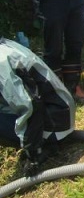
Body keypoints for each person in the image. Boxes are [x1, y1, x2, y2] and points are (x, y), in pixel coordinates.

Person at [0, 37, 76, 176]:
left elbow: (29, 105)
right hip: (57, 112)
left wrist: (33, 152)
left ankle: (45, 145)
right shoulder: (5, 46)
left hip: (56, 122)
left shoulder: (1, 62)